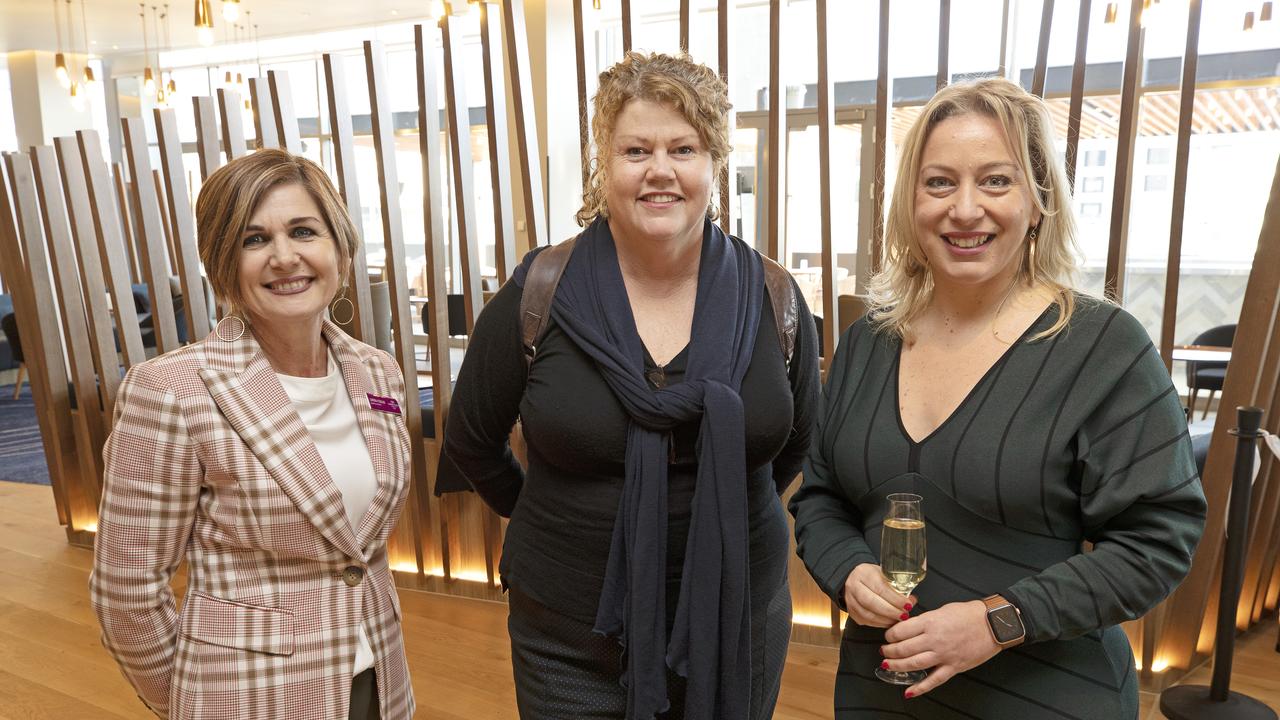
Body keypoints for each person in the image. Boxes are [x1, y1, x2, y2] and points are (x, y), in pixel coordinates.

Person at [789, 77, 1207, 718]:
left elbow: (1158, 538)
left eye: (995, 181)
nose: (964, 209)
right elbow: (821, 497)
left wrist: (999, 621)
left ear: (1039, 200)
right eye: (939, 183)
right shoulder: (868, 343)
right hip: (880, 693)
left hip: (1047, 697)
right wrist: (847, 568)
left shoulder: (1103, 348)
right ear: (910, 202)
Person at [442, 51, 819, 719]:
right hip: (570, 631)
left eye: (684, 148)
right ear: (604, 164)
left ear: (714, 164)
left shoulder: (775, 297)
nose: (660, 170)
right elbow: (472, 440)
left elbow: (793, 445)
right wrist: (559, 518)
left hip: (736, 624)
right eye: (636, 149)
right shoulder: (540, 292)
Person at [90, 149, 414, 720]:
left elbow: (362, 550)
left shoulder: (377, 371)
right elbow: (127, 593)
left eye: (303, 231)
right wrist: (197, 699)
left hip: (378, 682)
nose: (285, 258)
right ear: (224, 263)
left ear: (338, 247)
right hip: (248, 698)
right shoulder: (171, 391)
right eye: (253, 240)